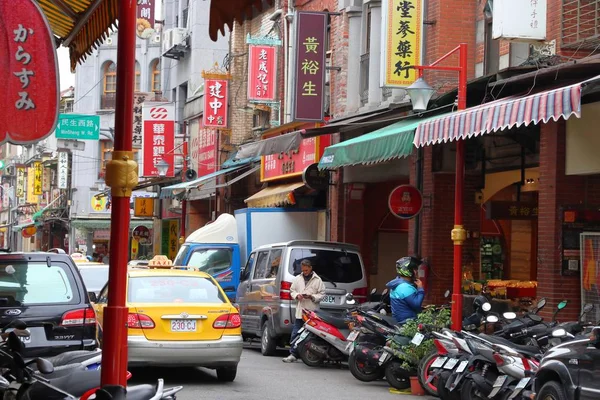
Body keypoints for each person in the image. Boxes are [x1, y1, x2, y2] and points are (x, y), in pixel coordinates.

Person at [282, 259, 326, 363]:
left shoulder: (318, 280)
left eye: (306, 270)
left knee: (311, 335)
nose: (305, 272)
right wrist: (297, 295)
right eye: (303, 270)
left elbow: (322, 294)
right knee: (296, 333)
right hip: (300, 312)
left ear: (311, 268)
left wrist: (312, 297)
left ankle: (308, 354)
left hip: (312, 313)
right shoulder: (298, 279)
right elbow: (292, 291)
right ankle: (293, 354)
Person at [387, 256, 425, 325]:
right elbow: (416, 305)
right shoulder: (404, 287)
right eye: (415, 269)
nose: (416, 272)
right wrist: (420, 289)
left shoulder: (398, 283)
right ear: (408, 270)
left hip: (399, 321)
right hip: (407, 323)